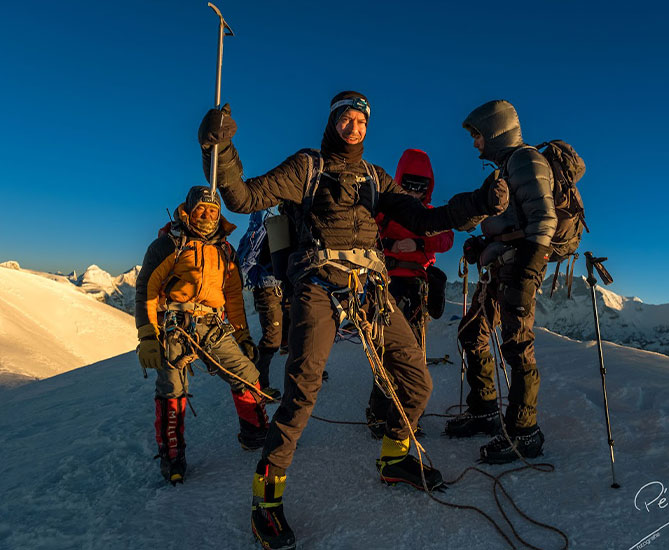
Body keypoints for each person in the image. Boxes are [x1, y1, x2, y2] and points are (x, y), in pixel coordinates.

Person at [198, 91, 508, 549]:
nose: (354, 126)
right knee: (302, 391)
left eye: (361, 120)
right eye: (346, 118)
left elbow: (425, 220)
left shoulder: (375, 178)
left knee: (417, 381)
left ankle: (394, 458)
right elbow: (243, 198)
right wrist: (220, 150)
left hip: (369, 287)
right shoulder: (307, 166)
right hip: (317, 282)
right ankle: (266, 502)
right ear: (332, 121)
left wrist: (480, 202)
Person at [444, 100, 557, 465]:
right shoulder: (508, 167)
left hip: (518, 269)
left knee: (517, 344)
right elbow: (514, 220)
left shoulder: (526, 161)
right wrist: (486, 243)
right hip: (502, 267)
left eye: (478, 135)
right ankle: (485, 411)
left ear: (495, 131)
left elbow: (544, 220)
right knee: (471, 332)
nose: (475, 144)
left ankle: (525, 433)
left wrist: (528, 270)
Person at [135, 186, 271, 485]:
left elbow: (233, 295)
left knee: (246, 373)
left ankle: (256, 434)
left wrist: (243, 336)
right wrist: (147, 336)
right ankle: (173, 458)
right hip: (173, 324)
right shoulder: (168, 245)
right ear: (188, 209)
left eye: (213, 211)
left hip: (212, 325)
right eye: (201, 209)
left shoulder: (225, 250)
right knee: (172, 387)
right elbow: (146, 288)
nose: (207, 215)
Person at [365, 149, 453, 439]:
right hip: (386, 286)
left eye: (420, 186)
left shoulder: (427, 214)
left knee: (412, 351)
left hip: (415, 289)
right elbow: (367, 230)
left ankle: (405, 412)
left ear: (428, 188)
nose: (415, 192)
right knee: (386, 348)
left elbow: (446, 238)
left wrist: (416, 245)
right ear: (400, 181)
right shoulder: (386, 209)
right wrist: (394, 242)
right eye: (410, 185)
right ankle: (381, 412)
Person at [236, 209, 289, 400]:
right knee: (272, 337)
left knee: (293, 330)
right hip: (268, 288)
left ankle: (301, 377)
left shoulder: (274, 227)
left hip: (280, 286)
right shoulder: (267, 229)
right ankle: (259, 386)